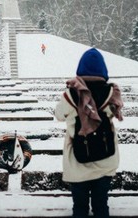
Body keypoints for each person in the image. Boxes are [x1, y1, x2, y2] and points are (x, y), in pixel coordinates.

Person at [54, 48, 124, 218]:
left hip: (77, 163)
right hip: (105, 161)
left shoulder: (71, 94)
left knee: (80, 208)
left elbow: (58, 115)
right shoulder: (111, 93)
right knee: (101, 206)